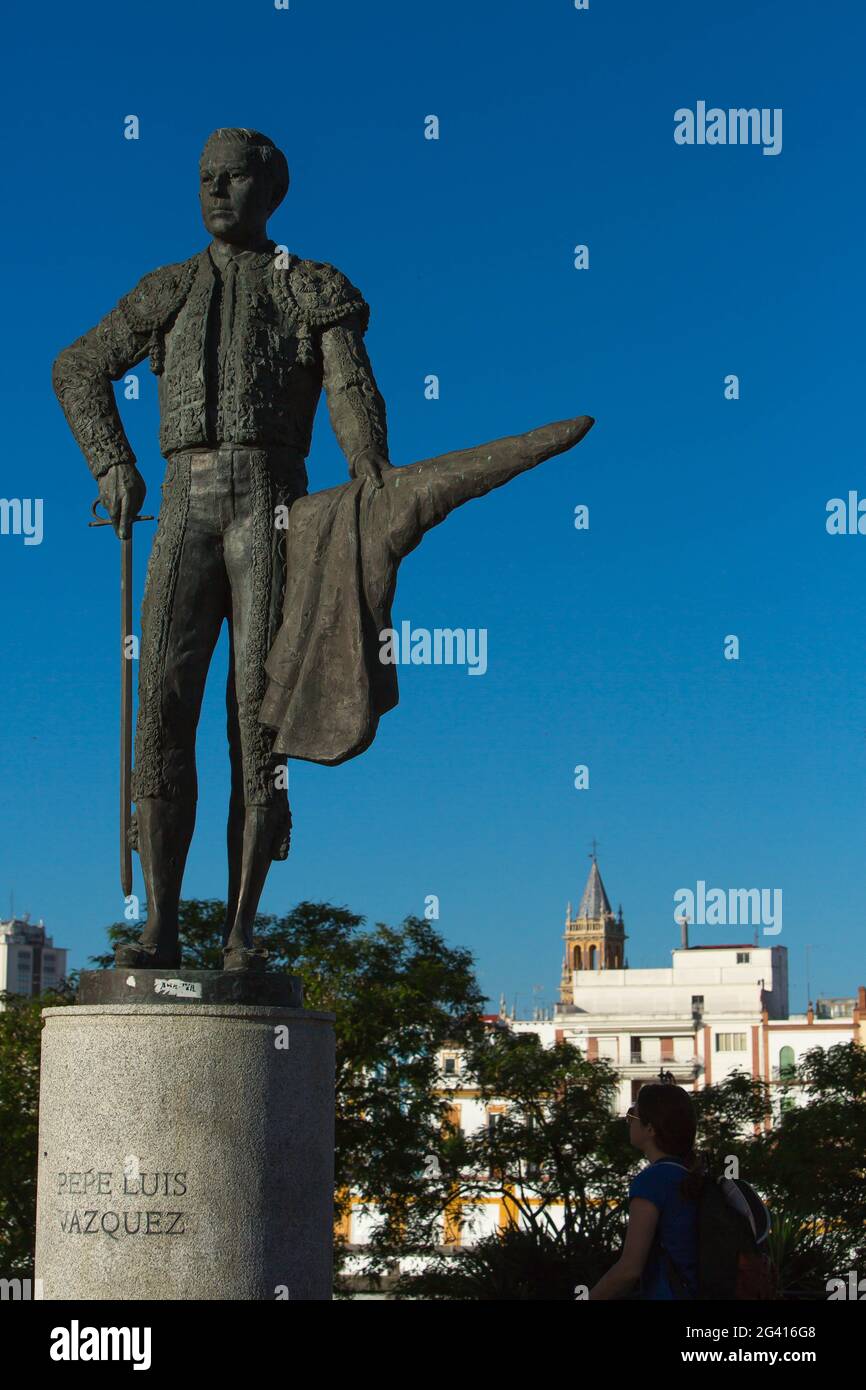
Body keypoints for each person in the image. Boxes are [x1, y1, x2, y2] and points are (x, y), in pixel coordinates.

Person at [52, 128, 391, 970]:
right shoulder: (167, 287)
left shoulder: (311, 286)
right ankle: (159, 925)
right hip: (182, 504)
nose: (214, 192)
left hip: (274, 504)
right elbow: (78, 367)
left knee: (258, 719)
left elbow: (350, 387)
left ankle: (241, 931)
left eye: (233, 178)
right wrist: (112, 464)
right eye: (204, 178)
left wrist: (369, 471)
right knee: (163, 708)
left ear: (269, 189)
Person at [588, 1083, 700, 1299]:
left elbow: (628, 1270)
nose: (628, 1121)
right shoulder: (690, 1175)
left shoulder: (652, 1181)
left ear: (650, 1129)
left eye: (633, 1115)